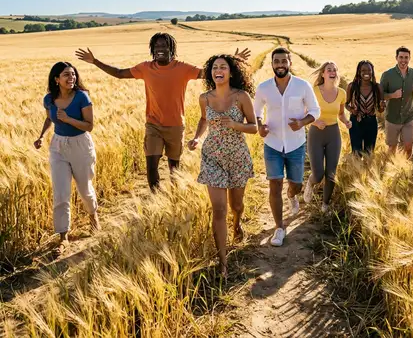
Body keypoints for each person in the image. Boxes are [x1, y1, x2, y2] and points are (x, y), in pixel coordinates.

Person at [75, 33, 250, 190]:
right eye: (157, 46)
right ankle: (154, 197)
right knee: (151, 165)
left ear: (171, 49)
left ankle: (174, 197)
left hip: (175, 126)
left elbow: (210, 73)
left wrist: (233, 60)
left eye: (164, 46)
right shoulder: (145, 68)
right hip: (153, 125)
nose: (160, 49)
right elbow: (120, 73)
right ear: (152, 49)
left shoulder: (183, 68)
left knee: (174, 167)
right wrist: (95, 61)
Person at [187, 54, 256, 276]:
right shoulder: (204, 98)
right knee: (219, 209)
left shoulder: (242, 97)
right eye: (215, 67)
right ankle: (223, 263)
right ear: (211, 73)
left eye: (223, 67)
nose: (218, 70)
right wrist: (197, 137)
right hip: (212, 157)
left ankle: (237, 224)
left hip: (237, 157)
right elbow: (204, 119)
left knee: (236, 206)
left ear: (231, 72)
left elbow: (254, 127)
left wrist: (235, 124)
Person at [254, 47, 320, 247]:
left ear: (290, 63)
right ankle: (279, 227)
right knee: (275, 184)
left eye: (284, 61)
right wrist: (260, 126)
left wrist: (302, 123)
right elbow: (256, 111)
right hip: (272, 144)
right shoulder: (264, 87)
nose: (280, 65)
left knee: (296, 184)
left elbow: (315, 110)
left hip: (295, 144)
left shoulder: (302, 86)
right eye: (277, 61)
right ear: (272, 63)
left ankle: (292, 196)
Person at [34, 62, 100, 255]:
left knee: (85, 189)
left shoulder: (82, 97)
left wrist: (68, 119)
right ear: (56, 79)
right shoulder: (49, 99)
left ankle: (93, 216)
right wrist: (41, 136)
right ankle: (63, 237)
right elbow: (49, 118)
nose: (71, 78)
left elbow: (89, 126)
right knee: (61, 193)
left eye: (73, 75)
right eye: (66, 75)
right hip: (58, 146)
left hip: (80, 145)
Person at [303, 61, 352, 212]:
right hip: (316, 133)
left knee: (331, 173)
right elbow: (304, 113)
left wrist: (346, 122)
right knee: (318, 174)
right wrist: (316, 122)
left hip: (333, 134)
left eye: (335, 70)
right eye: (329, 69)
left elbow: (341, 114)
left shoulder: (342, 93)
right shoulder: (314, 91)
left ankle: (325, 205)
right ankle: (310, 184)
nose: (332, 72)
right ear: (323, 74)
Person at [380, 47, 413, 158]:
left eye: (406, 57)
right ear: (396, 58)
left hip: (409, 117)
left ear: (409, 58)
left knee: (409, 147)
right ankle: (391, 168)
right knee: (392, 148)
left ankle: (404, 167)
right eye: (401, 57)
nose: (403, 60)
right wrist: (392, 95)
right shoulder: (387, 75)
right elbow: (380, 96)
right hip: (392, 117)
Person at [346, 60, 385, 156]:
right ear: (359, 72)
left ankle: (366, 171)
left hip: (371, 122)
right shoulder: (352, 86)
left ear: (372, 71)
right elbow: (346, 104)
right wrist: (352, 110)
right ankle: (356, 170)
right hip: (355, 122)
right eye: (363, 70)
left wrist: (382, 106)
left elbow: (380, 109)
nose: (366, 73)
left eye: (369, 70)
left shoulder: (377, 87)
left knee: (369, 153)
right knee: (356, 152)